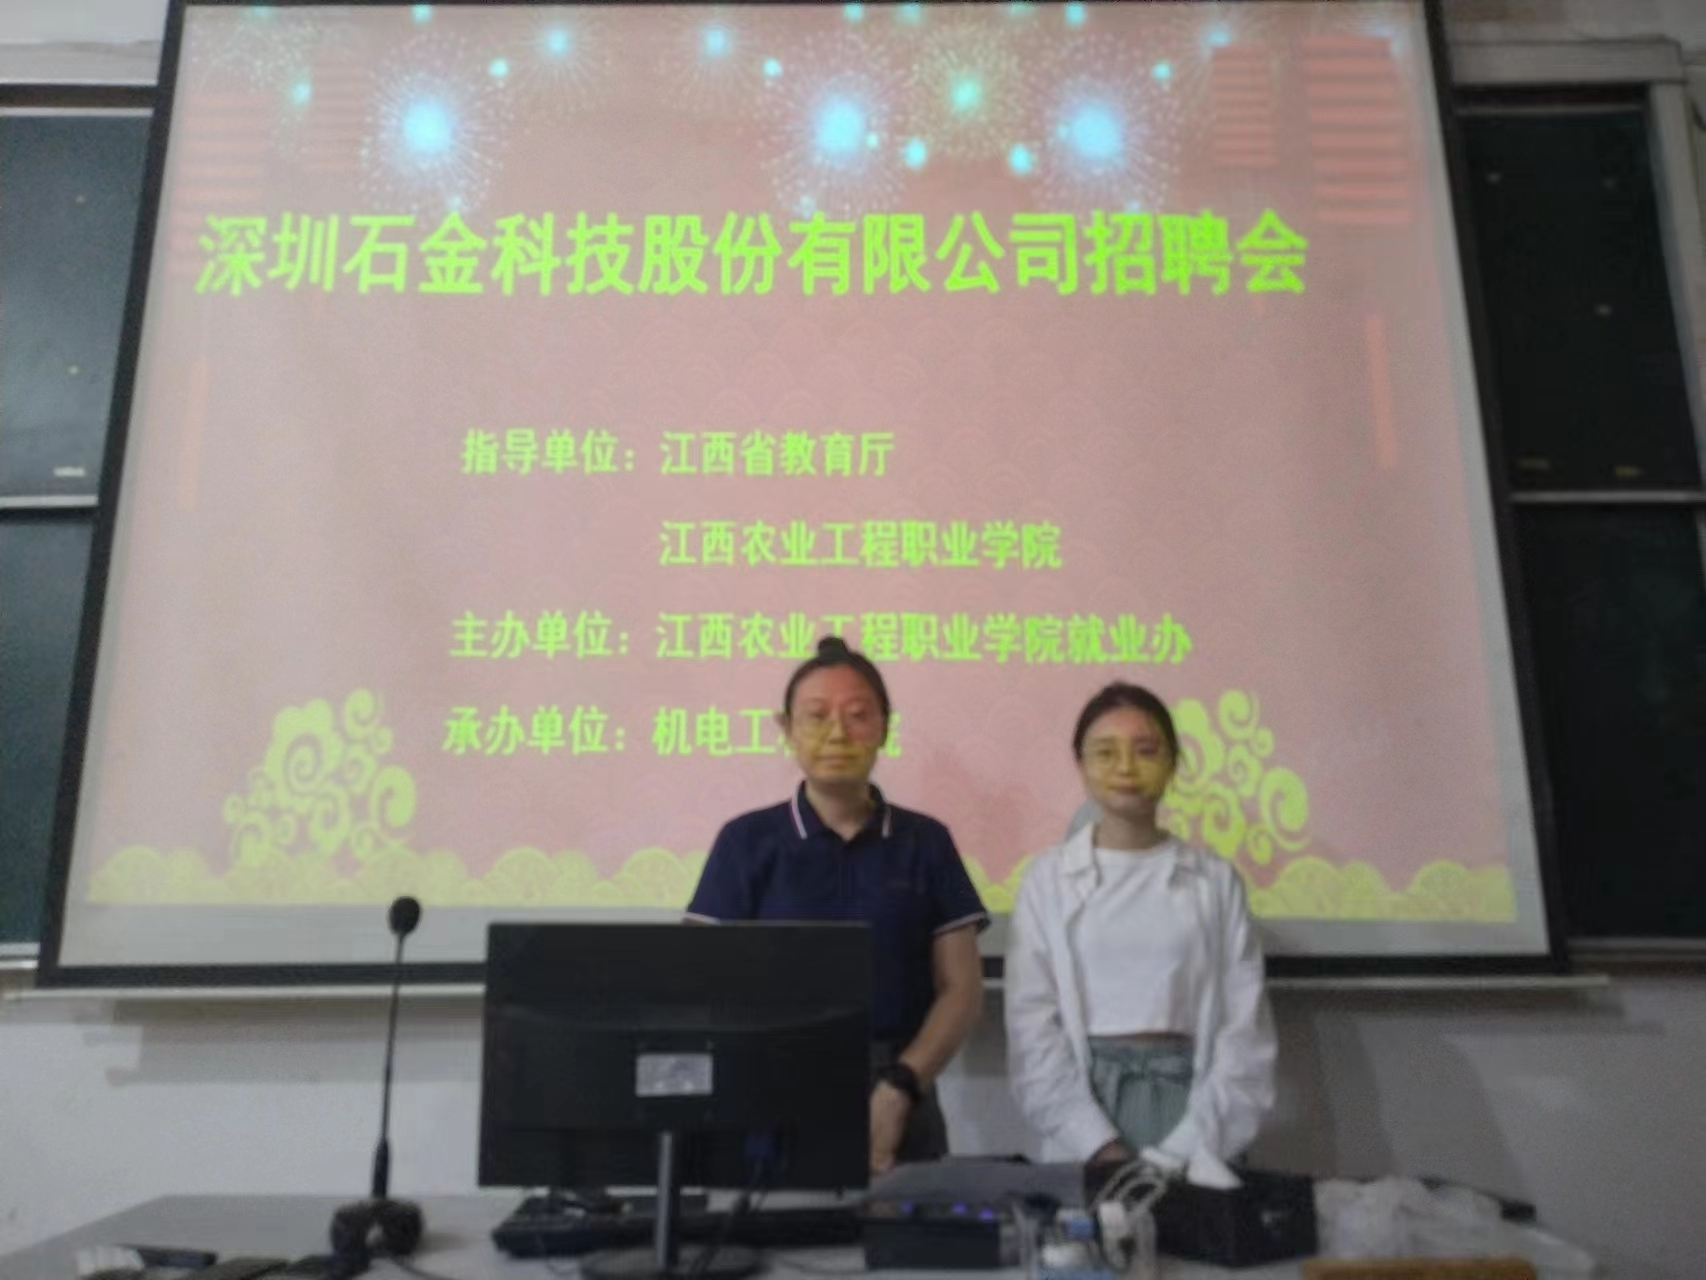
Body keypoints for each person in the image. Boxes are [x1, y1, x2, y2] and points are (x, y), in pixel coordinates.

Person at [685, 637, 988, 1174]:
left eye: (858, 715)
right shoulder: (746, 842)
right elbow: (699, 981)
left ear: (885, 729)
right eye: (816, 715)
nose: (837, 733)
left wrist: (900, 1086)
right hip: (769, 1092)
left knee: (907, 1227)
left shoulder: (925, 841)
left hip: (901, 1091)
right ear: (786, 729)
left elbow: (960, 989)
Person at [1005, 682, 1275, 1173]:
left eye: (1146, 750)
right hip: (1085, 1113)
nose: (1126, 767)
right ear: (1081, 765)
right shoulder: (1047, 881)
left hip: (1198, 1113)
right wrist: (1099, 1146)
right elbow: (1032, 1030)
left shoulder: (1215, 881)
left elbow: (1245, 1032)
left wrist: (1185, 1149)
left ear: (1173, 763)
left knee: (1193, 1221)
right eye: (1106, 752)